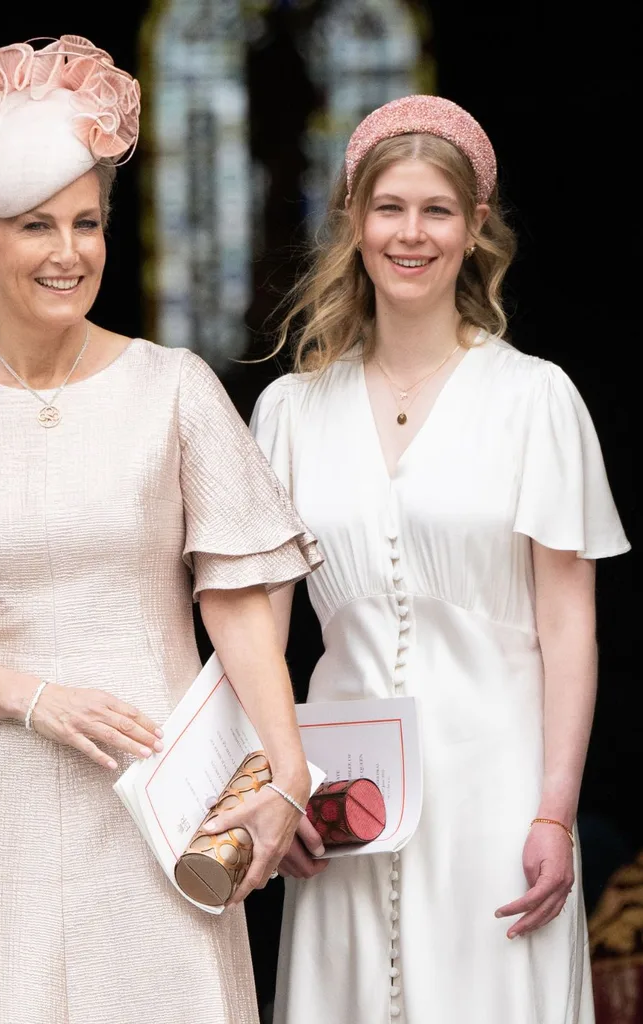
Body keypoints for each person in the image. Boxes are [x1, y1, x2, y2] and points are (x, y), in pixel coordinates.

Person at [0, 36, 320, 1024]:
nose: (68, 252)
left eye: (86, 223)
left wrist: (285, 769)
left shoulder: (174, 390)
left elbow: (240, 603)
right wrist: (34, 700)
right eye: (36, 226)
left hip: (157, 793)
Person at [249, 95, 630, 1024]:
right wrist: (272, 779)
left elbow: (567, 624)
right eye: (389, 208)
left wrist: (552, 810)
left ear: (474, 229)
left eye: (435, 210)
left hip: (497, 789)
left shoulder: (535, 399)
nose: (409, 234)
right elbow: (255, 628)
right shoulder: (290, 413)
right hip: (342, 797)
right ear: (352, 221)